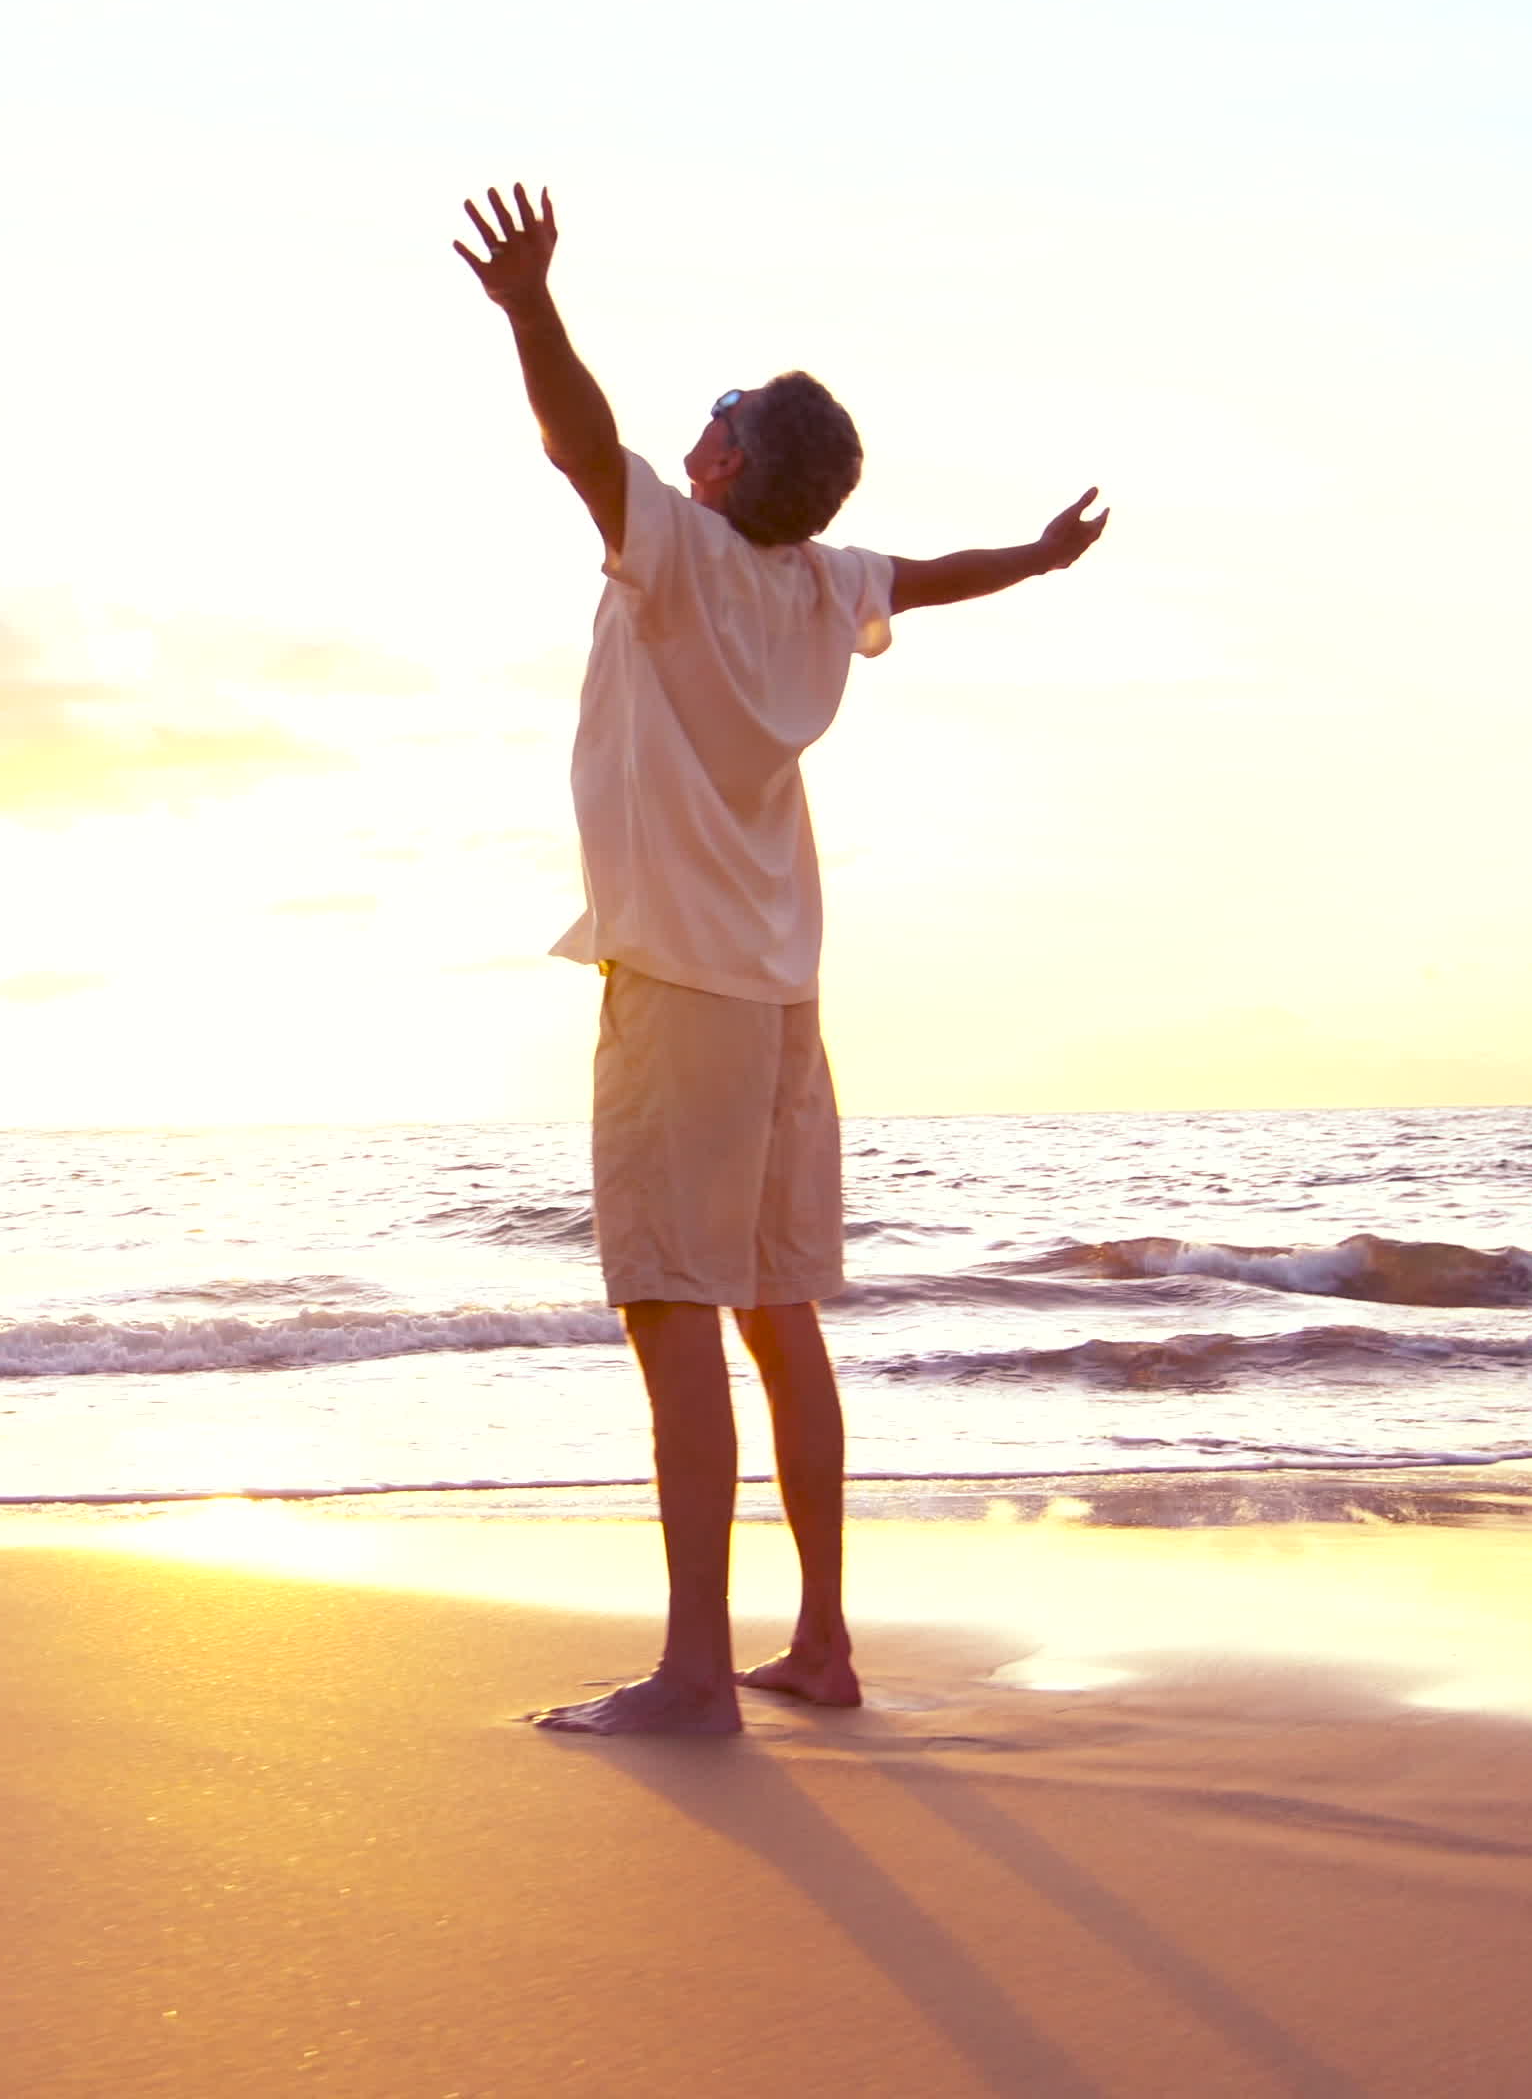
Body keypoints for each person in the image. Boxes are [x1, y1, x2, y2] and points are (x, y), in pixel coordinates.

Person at [454, 183, 1110, 1736]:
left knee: (674, 1309)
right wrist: (1038, 554)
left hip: (681, 989)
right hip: (781, 997)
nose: (698, 424)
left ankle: (694, 1673)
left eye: (720, 411)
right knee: (774, 1307)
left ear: (731, 461)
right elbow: (934, 573)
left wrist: (532, 307)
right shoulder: (823, 585)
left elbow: (570, 438)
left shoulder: (674, 551)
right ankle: (818, 1643)